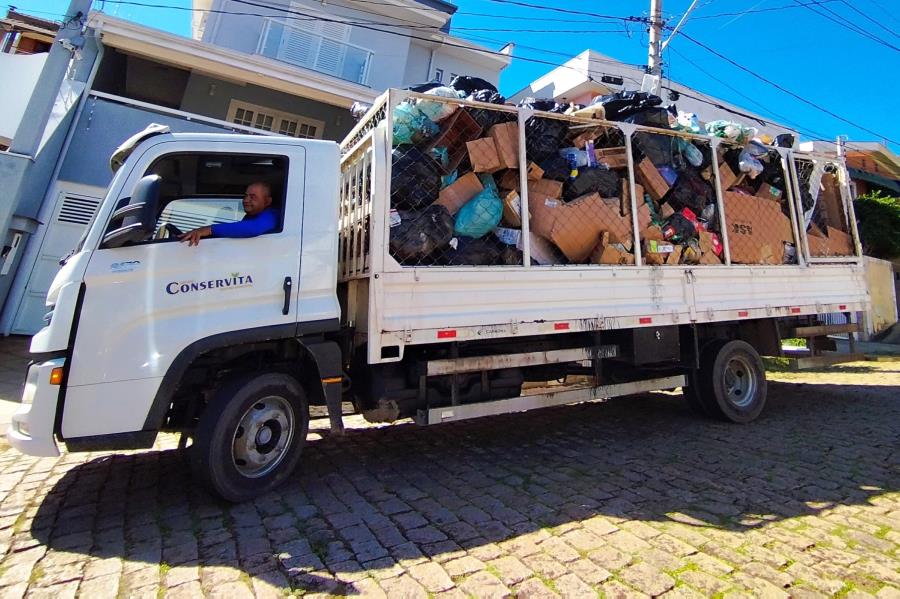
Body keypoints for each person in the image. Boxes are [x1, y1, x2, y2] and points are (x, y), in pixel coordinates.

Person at [179, 181, 278, 246]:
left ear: (268, 201)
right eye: (245, 196)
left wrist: (209, 230)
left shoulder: (272, 214)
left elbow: (254, 228)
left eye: (253, 197)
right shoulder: (251, 216)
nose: (246, 200)